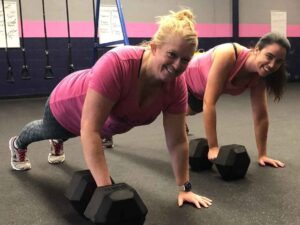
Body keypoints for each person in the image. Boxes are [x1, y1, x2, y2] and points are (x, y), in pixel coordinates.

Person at [9, 9, 212, 209]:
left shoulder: (175, 86)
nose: (177, 65)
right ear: (154, 47)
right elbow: (90, 130)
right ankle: (18, 143)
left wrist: (185, 188)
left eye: (185, 59)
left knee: (76, 132)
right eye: (172, 54)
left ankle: (59, 139)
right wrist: (107, 191)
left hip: (97, 121)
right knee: (48, 130)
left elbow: (177, 141)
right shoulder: (119, 63)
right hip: (67, 103)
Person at [184, 32, 291, 168]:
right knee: (154, 108)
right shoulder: (228, 54)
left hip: (198, 92)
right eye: (269, 56)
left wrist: (262, 154)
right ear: (257, 50)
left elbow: (261, 116)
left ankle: (180, 116)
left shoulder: (259, 76)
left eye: (278, 61)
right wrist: (213, 147)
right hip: (181, 76)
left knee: (190, 110)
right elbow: (209, 103)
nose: (271, 65)